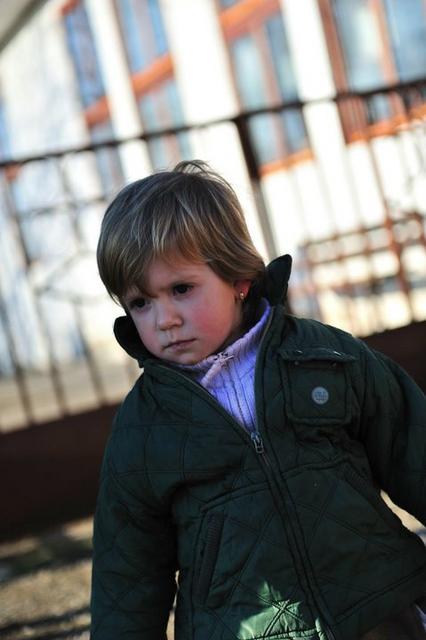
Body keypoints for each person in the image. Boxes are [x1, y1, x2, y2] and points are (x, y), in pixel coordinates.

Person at [90, 160, 426, 640]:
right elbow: (126, 575)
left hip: (377, 611)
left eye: (181, 289)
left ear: (238, 279)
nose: (164, 319)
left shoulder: (325, 357)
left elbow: (413, 448)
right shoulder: (143, 428)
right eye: (140, 303)